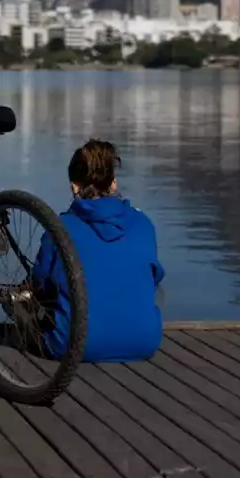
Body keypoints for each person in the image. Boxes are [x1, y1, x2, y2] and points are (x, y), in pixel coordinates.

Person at [32, 139, 165, 362]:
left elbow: (39, 284)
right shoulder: (144, 223)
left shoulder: (60, 229)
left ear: (74, 187)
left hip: (72, 346)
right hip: (145, 343)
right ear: (114, 184)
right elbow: (155, 278)